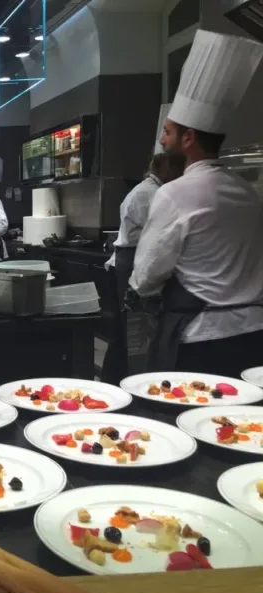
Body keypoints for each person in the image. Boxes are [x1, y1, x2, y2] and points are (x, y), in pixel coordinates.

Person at [129, 30, 263, 377]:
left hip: (199, 339)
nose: (162, 139)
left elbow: (146, 277)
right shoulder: (248, 192)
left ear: (188, 139)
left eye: (168, 132)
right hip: (254, 336)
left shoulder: (175, 194)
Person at [101, 153, 185, 383]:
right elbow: (161, 235)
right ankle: (133, 382)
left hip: (126, 259)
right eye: (179, 169)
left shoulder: (142, 190)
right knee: (135, 328)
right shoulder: (153, 193)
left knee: (123, 330)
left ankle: (113, 379)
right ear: (167, 169)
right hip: (133, 259)